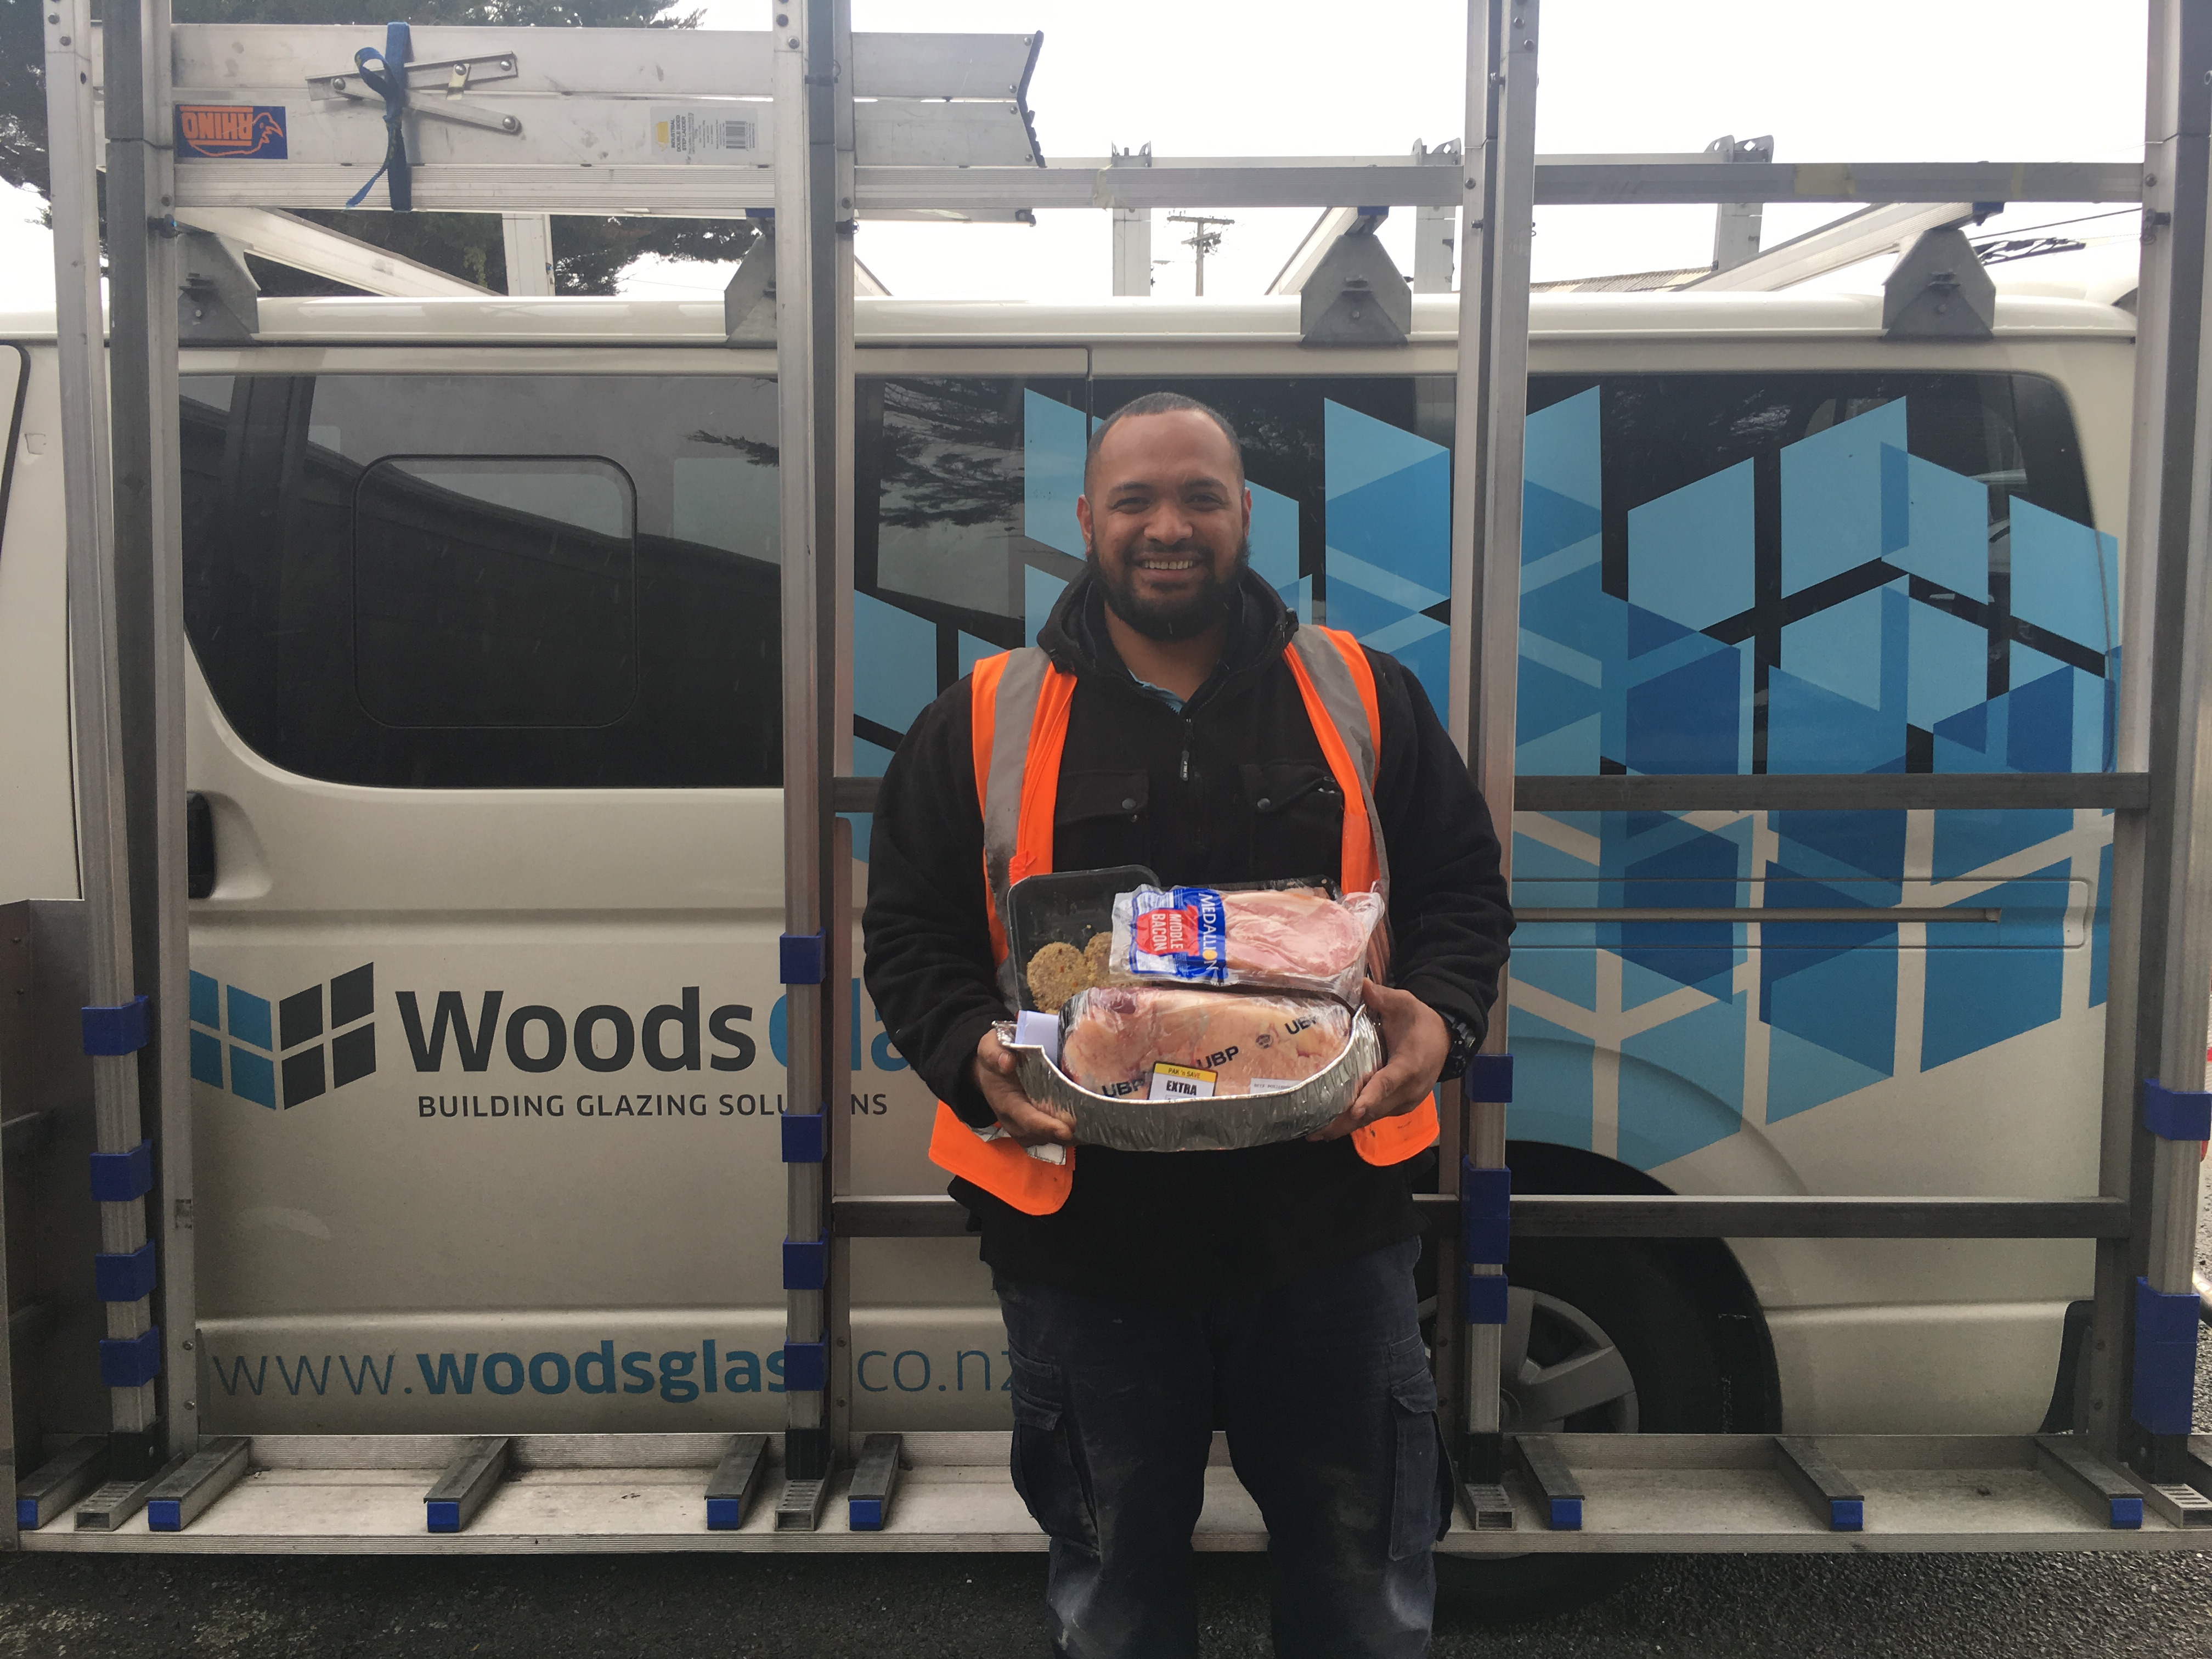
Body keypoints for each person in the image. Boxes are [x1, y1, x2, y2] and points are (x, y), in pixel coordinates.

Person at [862, 391, 1513, 1659]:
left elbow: (1461, 893)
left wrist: (1439, 1019)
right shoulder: (986, 717)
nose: (1170, 527)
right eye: (1136, 501)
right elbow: (910, 938)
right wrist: (967, 1056)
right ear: (1086, 521)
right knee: (1114, 1608)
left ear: (1247, 515)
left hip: (1327, 1236)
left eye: (1200, 498)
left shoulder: (1362, 693)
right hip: (1086, 1247)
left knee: (1364, 1601)